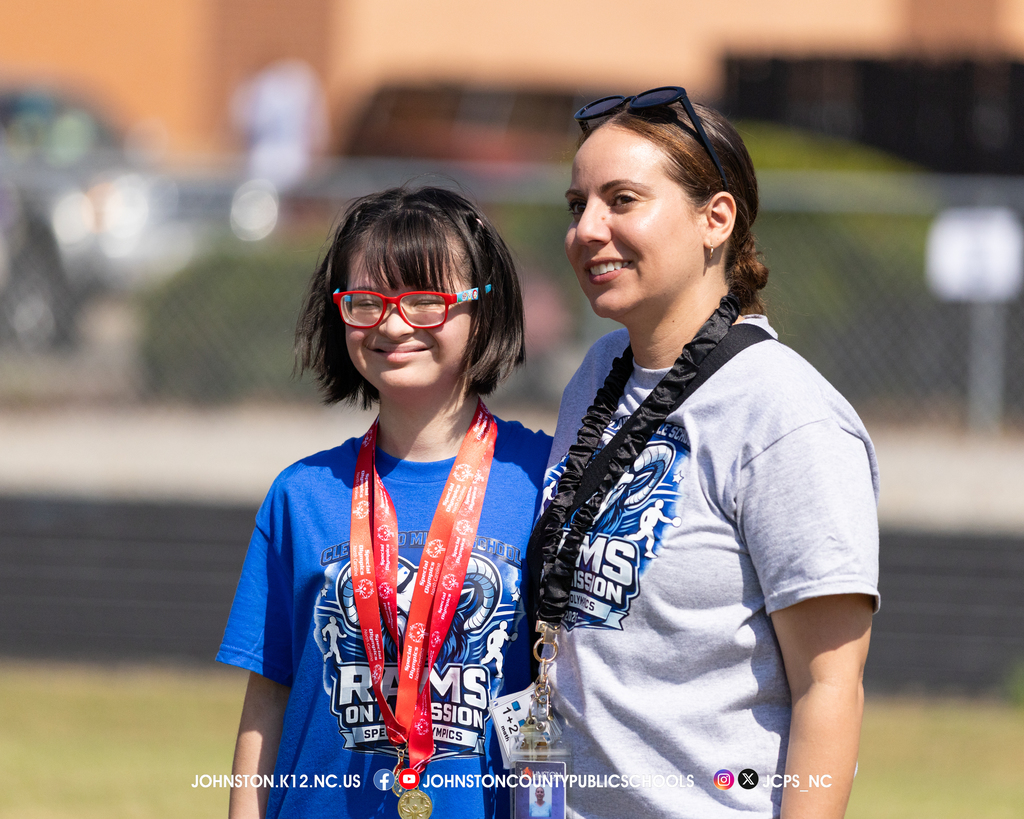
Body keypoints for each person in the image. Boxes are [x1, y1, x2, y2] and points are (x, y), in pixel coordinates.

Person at [527, 87, 879, 819]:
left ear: (715, 218)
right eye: (576, 204)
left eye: (622, 199)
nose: (588, 229)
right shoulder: (595, 374)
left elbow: (830, 688)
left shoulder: (785, 414)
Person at [218, 186, 552, 819]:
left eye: (426, 301)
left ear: (484, 309)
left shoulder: (542, 480)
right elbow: (266, 699)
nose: (394, 325)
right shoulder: (302, 494)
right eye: (366, 303)